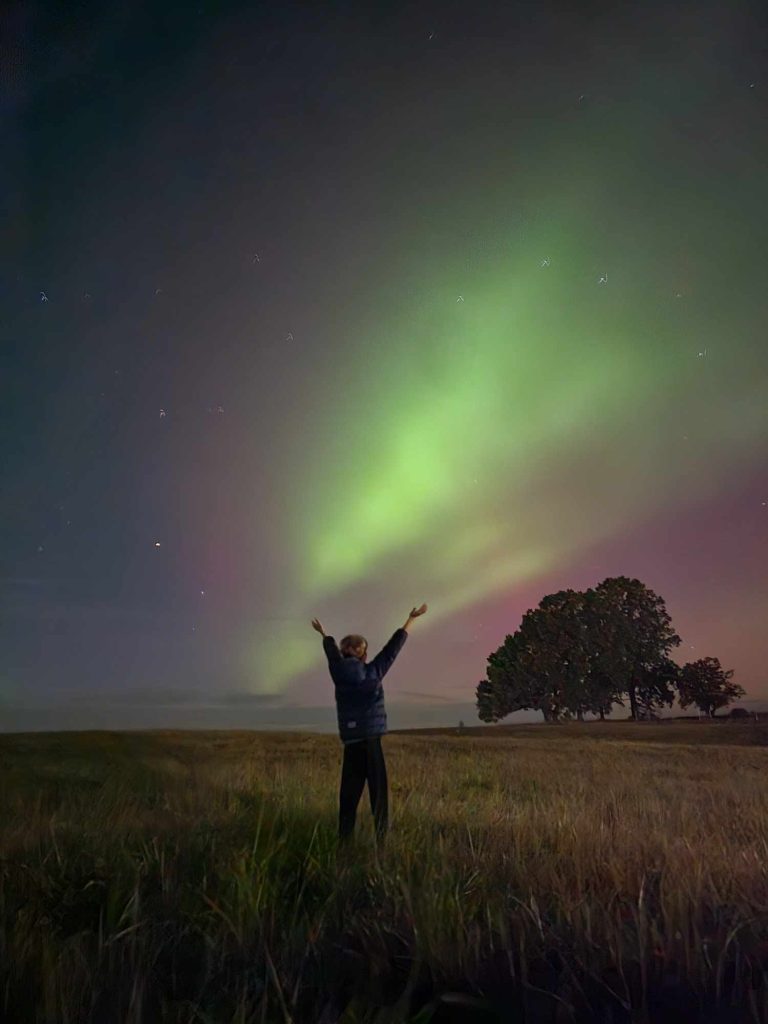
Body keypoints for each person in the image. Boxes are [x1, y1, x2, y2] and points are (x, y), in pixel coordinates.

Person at [311, 603, 428, 846]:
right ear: (363, 655)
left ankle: (344, 845)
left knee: (348, 797)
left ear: (344, 654)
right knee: (379, 796)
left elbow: (330, 652)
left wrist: (324, 634)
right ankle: (382, 843)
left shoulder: (337, 671)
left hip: (351, 744)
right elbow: (391, 650)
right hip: (371, 743)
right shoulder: (374, 671)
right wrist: (410, 619)